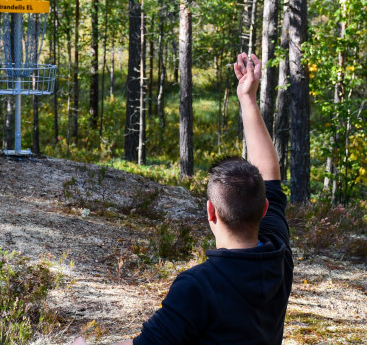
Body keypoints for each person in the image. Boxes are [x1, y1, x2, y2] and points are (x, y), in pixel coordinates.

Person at [73, 53, 293, 345]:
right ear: (263, 208)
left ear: (210, 212)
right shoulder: (278, 254)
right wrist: (247, 99)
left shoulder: (199, 286)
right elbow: (270, 176)